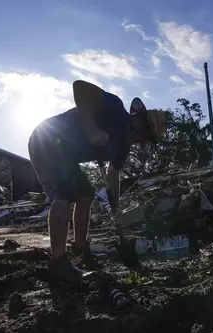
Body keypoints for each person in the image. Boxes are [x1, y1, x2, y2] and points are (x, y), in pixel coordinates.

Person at [28, 80, 166, 282]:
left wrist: (116, 208)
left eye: (146, 139)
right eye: (144, 134)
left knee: (85, 195)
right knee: (64, 193)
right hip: (47, 139)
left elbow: (113, 174)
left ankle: (81, 250)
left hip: (66, 155)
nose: (141, 140)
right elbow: (79, 87)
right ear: (138, 120)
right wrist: (91, 129)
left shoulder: (123, 146)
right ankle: (59, 264)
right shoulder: (114, 107)